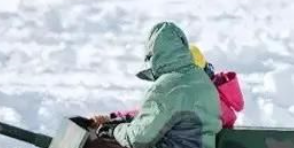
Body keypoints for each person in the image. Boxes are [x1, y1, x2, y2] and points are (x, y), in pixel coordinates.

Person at [69, 22, 222, 148]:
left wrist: (113, 130)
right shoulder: (202, 81)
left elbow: (139, 138)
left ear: (153, 55)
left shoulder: (167, 86)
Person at [92, 44, 245, 129]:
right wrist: (114, 118)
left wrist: (114, 121)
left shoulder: (201, 102)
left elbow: (154, 116)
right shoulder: (214, 99)